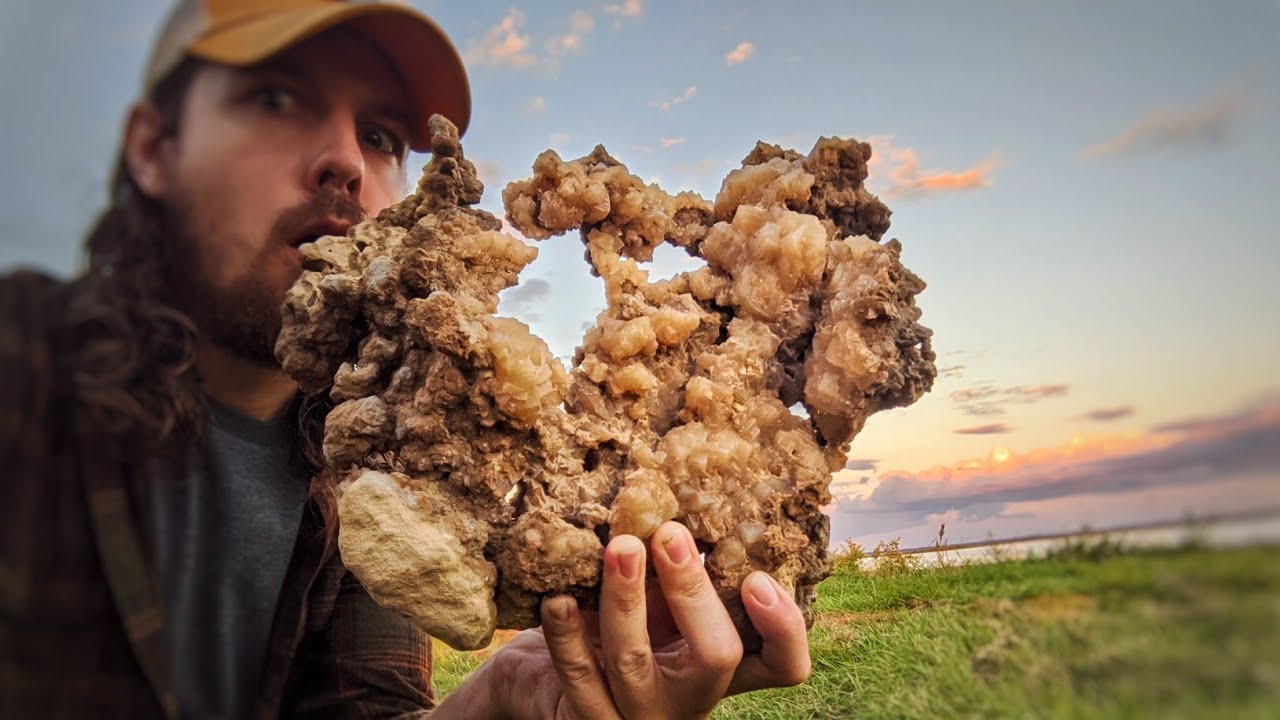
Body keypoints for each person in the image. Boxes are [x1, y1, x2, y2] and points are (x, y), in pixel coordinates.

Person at [0, 1, 812, 717]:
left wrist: (501, 702)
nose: (346, 163)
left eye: (382, 136)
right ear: (152, 147)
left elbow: (361, 708)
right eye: (276, 98)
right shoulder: (24, 364)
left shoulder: (388, 455)